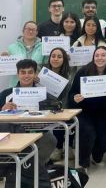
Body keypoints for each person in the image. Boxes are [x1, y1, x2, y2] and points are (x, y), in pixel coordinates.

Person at [0, 59, 57, 187]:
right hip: (12, 132)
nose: (26, 76)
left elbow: (56, 108)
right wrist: (3, 110)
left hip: (37, 131)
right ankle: (12, 171)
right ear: (17, 74)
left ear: (35, 74)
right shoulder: (6, 93)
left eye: (30, 72)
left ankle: (32, 171)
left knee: (51, 140)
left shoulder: (43, 94)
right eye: (23, 72)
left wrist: (46, 108)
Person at [68, 46, 106, 170]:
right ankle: (83, 163)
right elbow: (71, 95)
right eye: (97, 55)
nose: (100, 58)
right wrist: (75, 98)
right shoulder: (83, 72)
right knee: (88, 132)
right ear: (93, 57)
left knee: (105, 139)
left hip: (102, 113)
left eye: (103, 55)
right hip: (84, 112)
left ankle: (96, 156)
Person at [42, 48, 73, 162]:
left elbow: (66, 98)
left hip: (63, 107)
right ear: (49, 58)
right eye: (53, 56)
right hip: (44, 108)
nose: (55, 59)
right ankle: (57, 148)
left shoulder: (69, 75)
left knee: (63, 120)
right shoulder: (41, 73)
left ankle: (65, 146)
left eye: (59, 57)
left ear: (64, 59)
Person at [2, 21, 44, 86]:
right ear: (23, 31)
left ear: (37, 32)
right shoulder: (12, 47)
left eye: (33, 30)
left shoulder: (43, 47)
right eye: (28, 29)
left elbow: (49, 65)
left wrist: (39, 75)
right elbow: (6, 69)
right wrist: (3, 60)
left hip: (36, 86)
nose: (30, 31)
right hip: (16, 86)